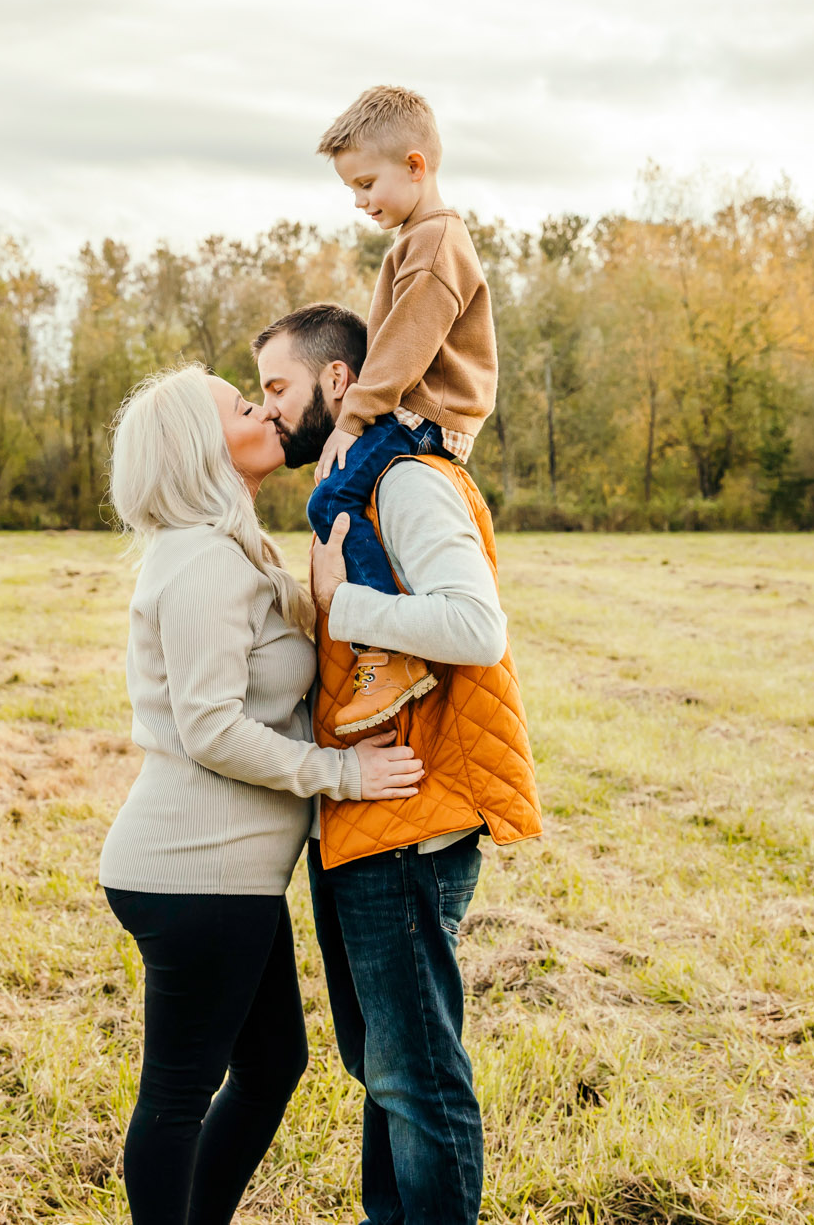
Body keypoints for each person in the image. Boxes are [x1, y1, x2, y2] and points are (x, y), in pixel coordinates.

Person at [98, 365, 424, 1225]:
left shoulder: (231, 544)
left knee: (274, 1062)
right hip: (192, 875)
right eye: (243, 407)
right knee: (175, 1095)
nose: (265, 410)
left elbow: (274, 687)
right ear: (203, 447)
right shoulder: (203, 560)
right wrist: (343, 774)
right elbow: (210, 727)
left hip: (226, 876)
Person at [255, 305, 543, 1225]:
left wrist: (343, 606)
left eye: (277, 388)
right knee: (381, 1069)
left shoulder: (409, 482)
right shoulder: (348, 488)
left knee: (417, 1078)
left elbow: (476, 624)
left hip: (411, 823)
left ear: (338, 383)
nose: (269, 413)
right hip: (364, 818)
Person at [307, 85, 498, 737]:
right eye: (352, 190)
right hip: (414, 413)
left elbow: (407, 342)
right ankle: (388, 642)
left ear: (415, 165)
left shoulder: (435, 243)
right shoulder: (419, 240)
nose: (361, 202)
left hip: (420, 416)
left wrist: (351, 418)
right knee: (339, 501)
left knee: (328, 501)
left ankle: (388, 651)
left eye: (367, 183)